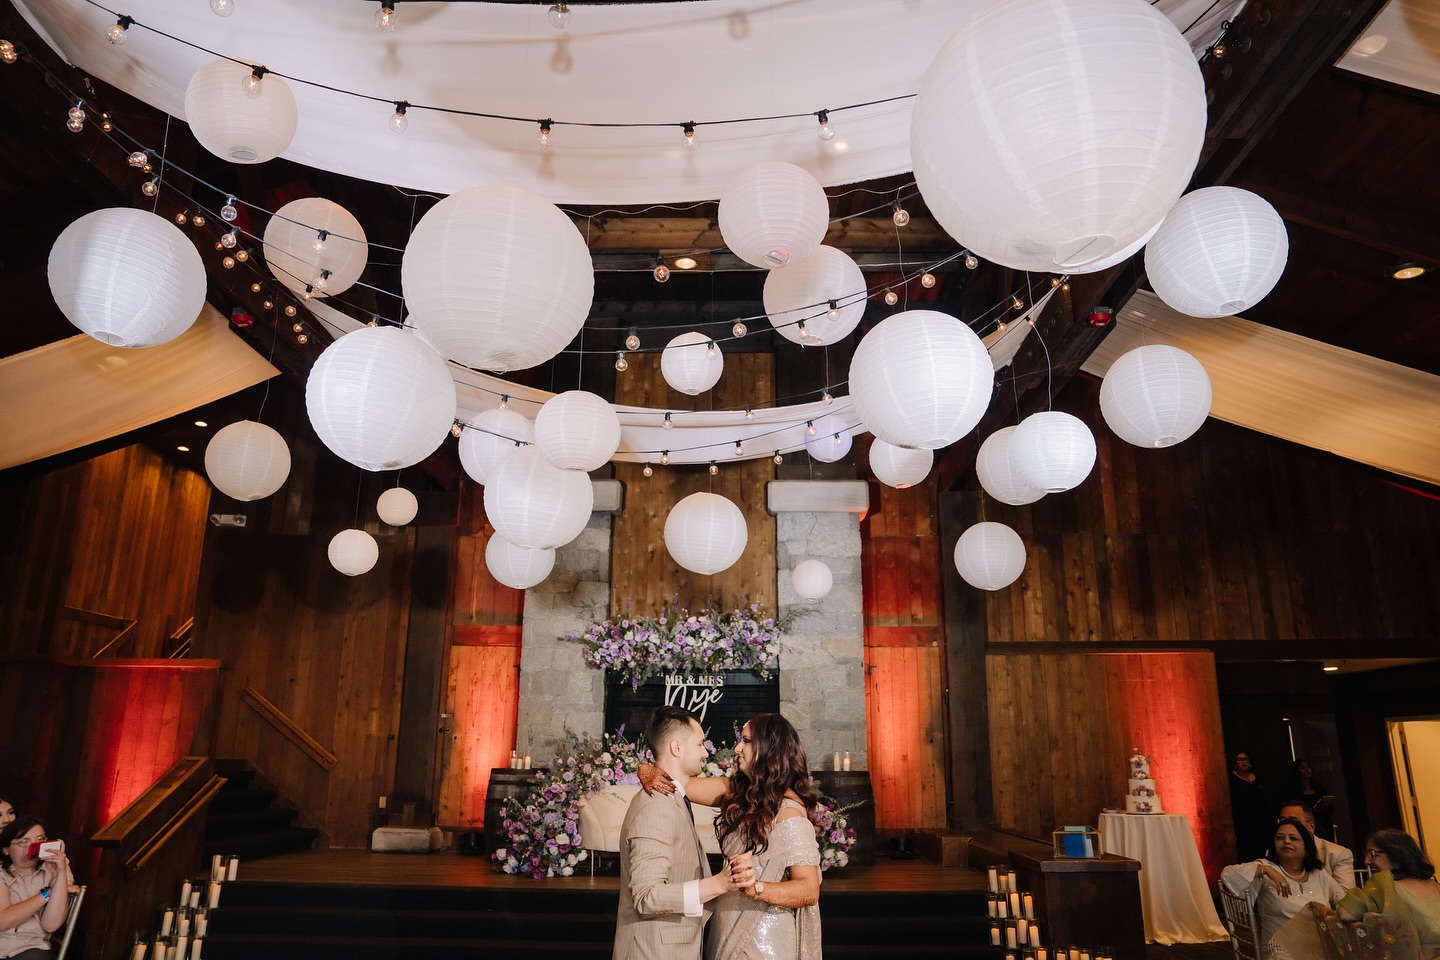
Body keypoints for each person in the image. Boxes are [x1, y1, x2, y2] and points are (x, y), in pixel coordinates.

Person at [644, 713, 822, 960]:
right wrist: (645, 770)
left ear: (770, 748)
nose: (737, 748)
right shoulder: (737, 791)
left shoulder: (790, 814)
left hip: (763, 937)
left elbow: (809, 890)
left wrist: (756, 887)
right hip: (725, 923)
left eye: (746, 741)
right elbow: (677, 781)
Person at [613, 706, 743, 960]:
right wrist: (718, 883)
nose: (706, 752)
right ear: (677, 747)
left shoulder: (673, 794)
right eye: (700, 744)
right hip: (653, 951)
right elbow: (647, 896)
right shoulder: (657, 805)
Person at [1221, 817, 1346, 950]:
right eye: (1280, 838)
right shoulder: (1265, 869)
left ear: (1307, 848)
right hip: (1282, 950)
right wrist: (1265, 870)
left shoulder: (1319, 874)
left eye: (1293, 838)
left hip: (1321, 948)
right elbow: (1227, 874)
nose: (1286, 841)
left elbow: (1344, 901)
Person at [1336, 829, 1440, 955]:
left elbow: (1346, 913)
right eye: (1367, 854)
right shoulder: (1435, 885)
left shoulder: (1382, 885)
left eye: (1373, 853)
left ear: (1397, 854)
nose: (1367, 861)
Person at [0, 817, 71, 959]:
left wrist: (62, 871)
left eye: (40, 840)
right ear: (6, 850)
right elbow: (3, 922)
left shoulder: (53, 872)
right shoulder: (2, 874)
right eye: (23, 842)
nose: (33, 847)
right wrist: (47, 893)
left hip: (31, 947)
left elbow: (50, 925)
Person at [1278, 801, 1353, 890]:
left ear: (1311, 826)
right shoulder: (1278, 849)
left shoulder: (1338, 854)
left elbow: (1347, 896)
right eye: (1283, 822)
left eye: (1294, 822)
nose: (1287, 826)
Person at [1230, 751, 1271, 861]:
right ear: (1234, 763)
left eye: (1246, 759)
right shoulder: (1231, 780)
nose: (1243, 762)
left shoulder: (1259, 778)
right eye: (1239, 759)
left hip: (1262, 822)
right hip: (1243, 823)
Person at [1282, 760, 1334, 841]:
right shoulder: (1292, 790)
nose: (1307, 770)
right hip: (1304, 824)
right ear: (1297, 770)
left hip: (1323, 822)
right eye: (1303, 767)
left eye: (1308, 767)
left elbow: (1330, 809)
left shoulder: (1318, 788)